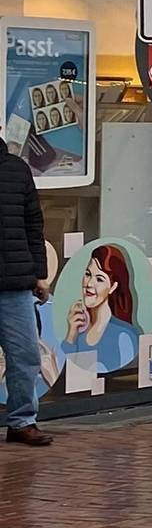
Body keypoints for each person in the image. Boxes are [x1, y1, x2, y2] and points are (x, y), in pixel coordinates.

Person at [0, 144, 48, 445]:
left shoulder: (16, 169)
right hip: (16, 280)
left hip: (16, 283)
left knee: (26, 355)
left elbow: (34, 223)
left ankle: (21, 422)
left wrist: (40, 274)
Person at [56, 244, 140, 376]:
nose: (89, 284)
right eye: (88, 274)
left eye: (99, 279)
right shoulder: (78, 330)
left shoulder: (124, 335)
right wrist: (71, 334)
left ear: (113, 287)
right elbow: (64, 376)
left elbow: (122, 379)